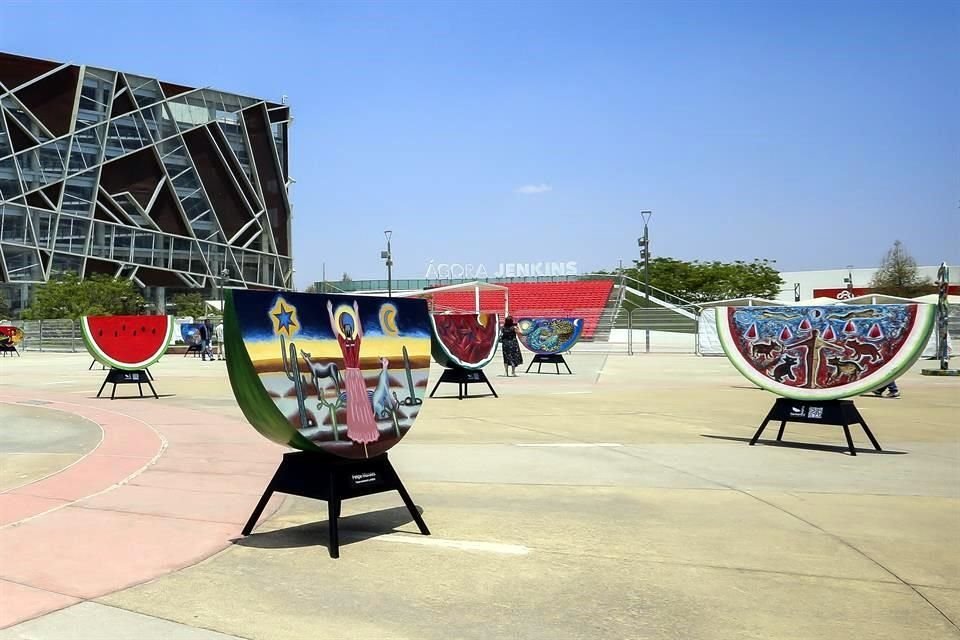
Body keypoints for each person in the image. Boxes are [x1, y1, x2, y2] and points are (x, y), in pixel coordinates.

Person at [326, 299, 380, 448]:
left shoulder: (357, 339)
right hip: (350, 374)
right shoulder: (342, 341)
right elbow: (334, 329)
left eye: (350, 325)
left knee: (362, 401)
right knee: (354, 403)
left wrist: (356, 311)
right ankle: (357, 431)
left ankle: (366, 430)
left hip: (356, 373)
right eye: (346, 325)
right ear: (344, 327)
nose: (348, 328)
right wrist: (330, 311)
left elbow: (361, 331)